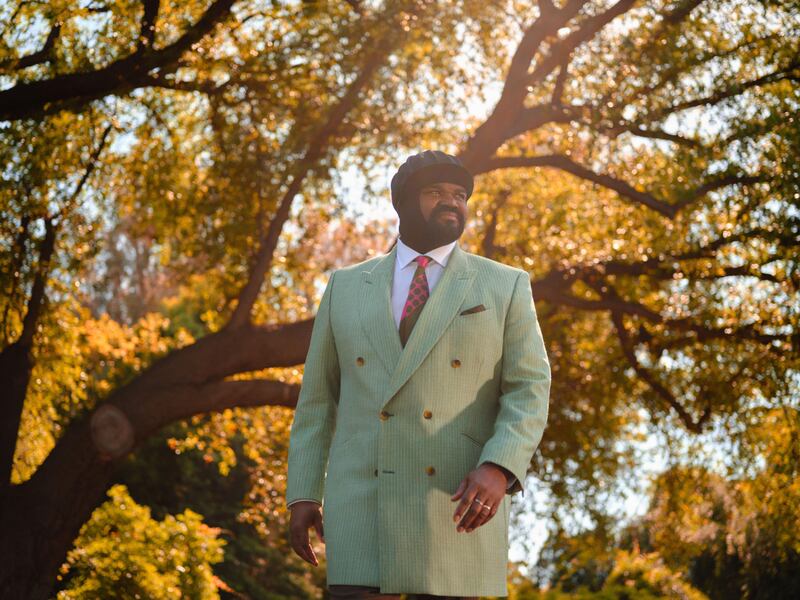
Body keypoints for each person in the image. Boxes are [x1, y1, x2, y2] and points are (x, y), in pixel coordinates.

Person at [286, 150, 551, 599]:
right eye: (436, 192)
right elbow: (316, 402)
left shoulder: (505, 284)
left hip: (458, 502)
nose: (452, 201)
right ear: (403, 203)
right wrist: (303, 493)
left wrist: (499, 467)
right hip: (362, 502)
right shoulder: (345, 286)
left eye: (460, 194)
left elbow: (529, 388)